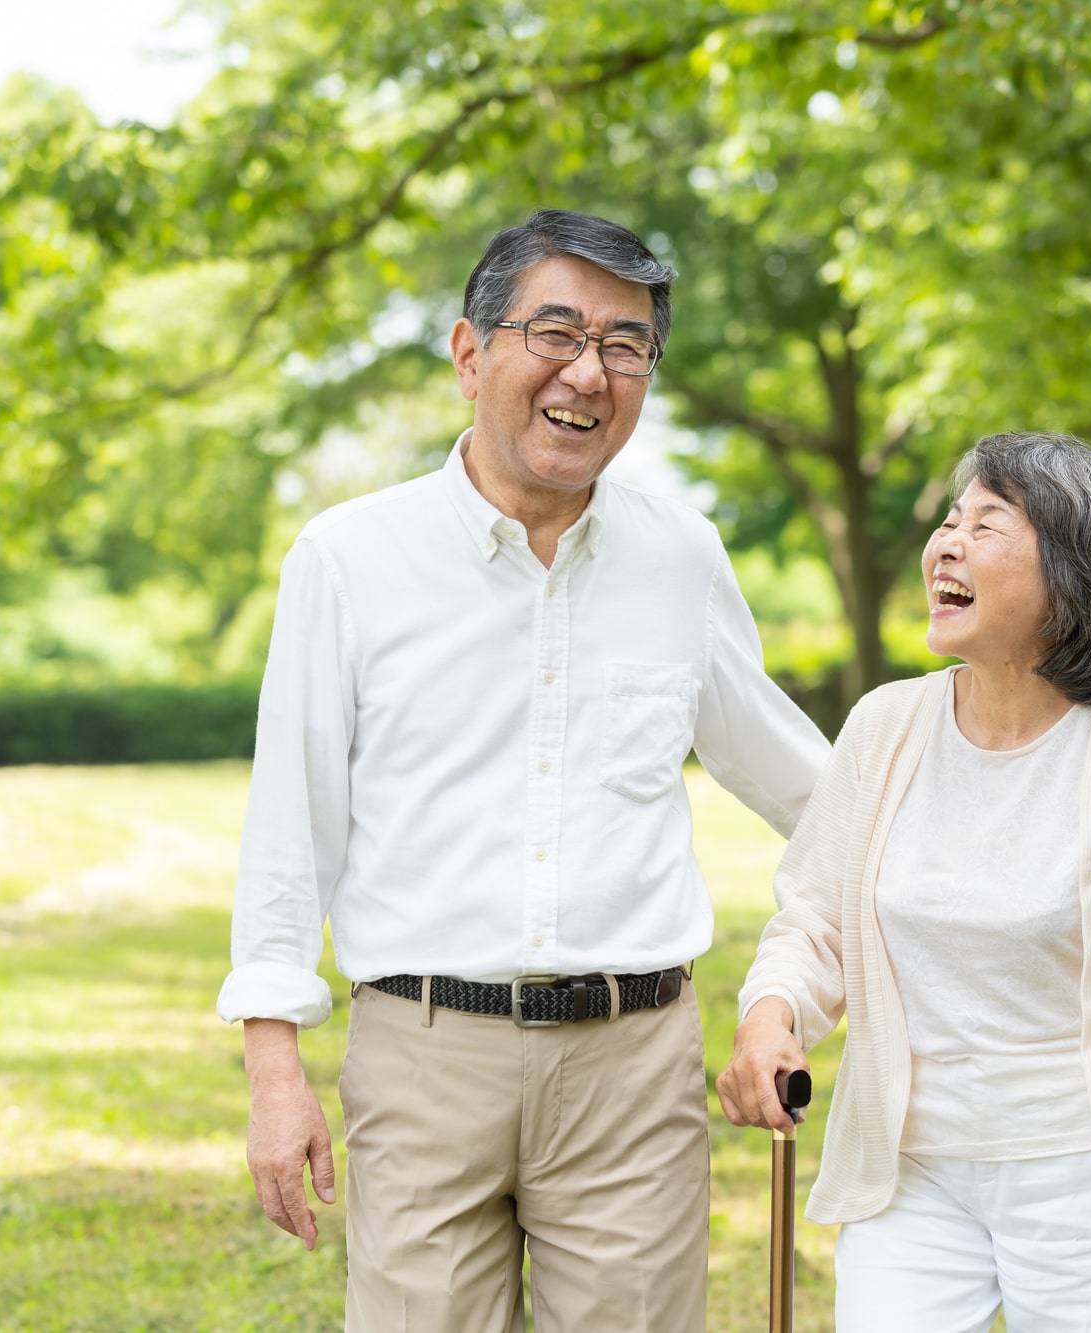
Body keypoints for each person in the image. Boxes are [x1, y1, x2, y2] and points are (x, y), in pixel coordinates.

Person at [216, 209, 831, 1333]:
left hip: (632, 1065)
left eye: (626, 344)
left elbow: (814, 793)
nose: (588, 372)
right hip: (422, 1053)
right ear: (468, 354)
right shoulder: (349, 558)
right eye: (554, 331)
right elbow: (288, 828)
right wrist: (275, 1072)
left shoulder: (678, 555)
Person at [718, 431, 1091, 1333]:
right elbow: (813, 920)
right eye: (949, 520)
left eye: (987, 524)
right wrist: (771, 1011)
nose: (946, 542)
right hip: (911, 1166)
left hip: (1090, 1169)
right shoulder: (885, 726)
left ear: (1074, 576)